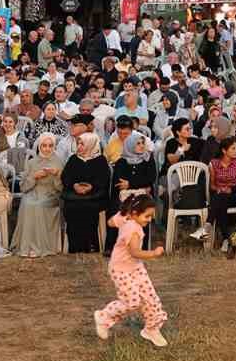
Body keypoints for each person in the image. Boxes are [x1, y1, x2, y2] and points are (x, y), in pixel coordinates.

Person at [93, 191, 168, 348]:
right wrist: (153, 253)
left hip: (135, 267)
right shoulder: (133, 230)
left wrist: (122, 215)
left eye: (151, 216)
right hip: (120, 269)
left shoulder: (127, 218)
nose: (150, 219)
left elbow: (110, 222)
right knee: (132, 302)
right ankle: (104, 317)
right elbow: (135, 252)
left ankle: (152, 329)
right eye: (147, 216)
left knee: (150, 297)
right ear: (135, 213)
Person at [12, 132, 66, 258]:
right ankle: (27, 246)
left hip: (51, 194)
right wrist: (34, 177)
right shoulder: (32, 162)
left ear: (54, 147)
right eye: (44, 146)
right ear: (39, 147)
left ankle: (39, 246)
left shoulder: (59, 162)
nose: (47, 149)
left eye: (50, 146)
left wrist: (57, 175)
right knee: (27, 203)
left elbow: (61, 188)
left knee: (37, 205)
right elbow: (23, 187)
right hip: (33, 191)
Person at [61, 132, 110, 253]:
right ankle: (75, 245)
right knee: (72, 208)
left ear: (91, 144)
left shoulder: (100, 160)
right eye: (78, 144)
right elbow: (65, 176)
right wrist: (75, 185)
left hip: (95, 196)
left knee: (88, 208)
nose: (79, 147)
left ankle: (90, 244)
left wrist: (91, 187)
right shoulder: (73, 159)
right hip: (74, 194)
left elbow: (104, 180)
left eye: (82, 144)